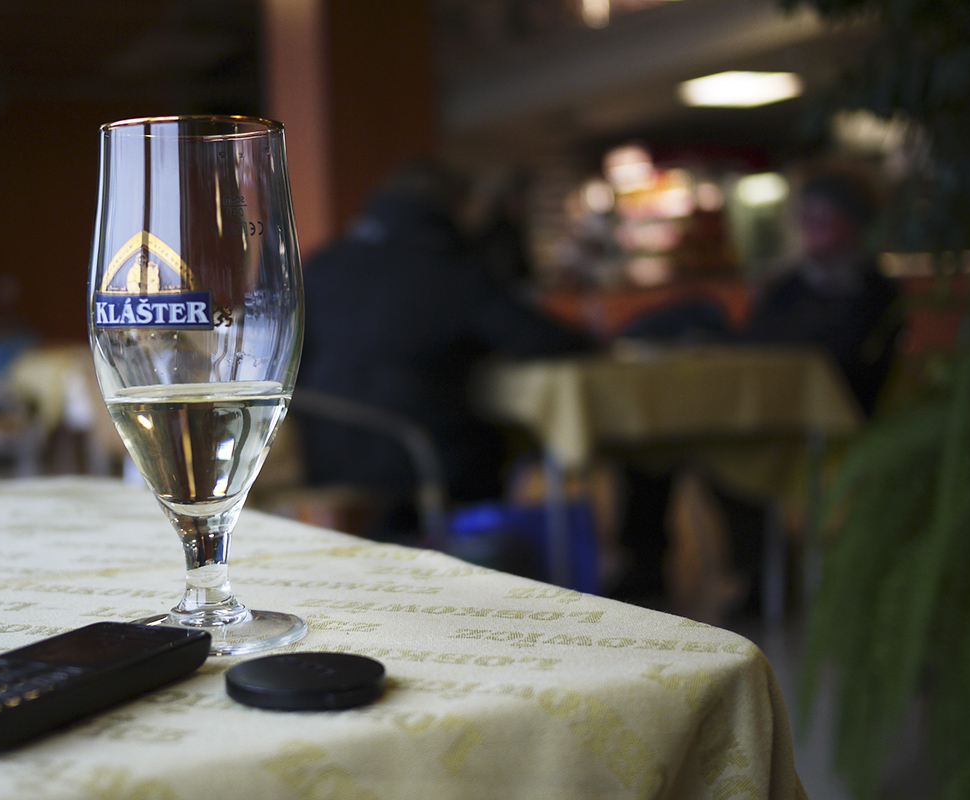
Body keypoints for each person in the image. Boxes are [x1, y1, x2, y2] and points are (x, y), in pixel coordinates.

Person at [613, 165, 903, 613]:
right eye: (806, 215)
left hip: (828, 420)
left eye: (823, 216)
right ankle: (646, 568)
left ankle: (763, 576)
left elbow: (848, 367)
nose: (810, 225)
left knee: (730, 446)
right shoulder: (787, 285)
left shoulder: (874, 291)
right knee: (654, 436)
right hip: (761, 408)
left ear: (855, 223)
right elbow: (755, 342)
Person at [297, 160, 599, 531]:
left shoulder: (323, 263)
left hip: (323, 447)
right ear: (456, 207)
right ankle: (479, 551)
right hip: (419, 449)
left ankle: (403, 538)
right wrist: (594, 339)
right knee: (501, 446)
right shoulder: (450, 269)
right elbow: (537, 340)